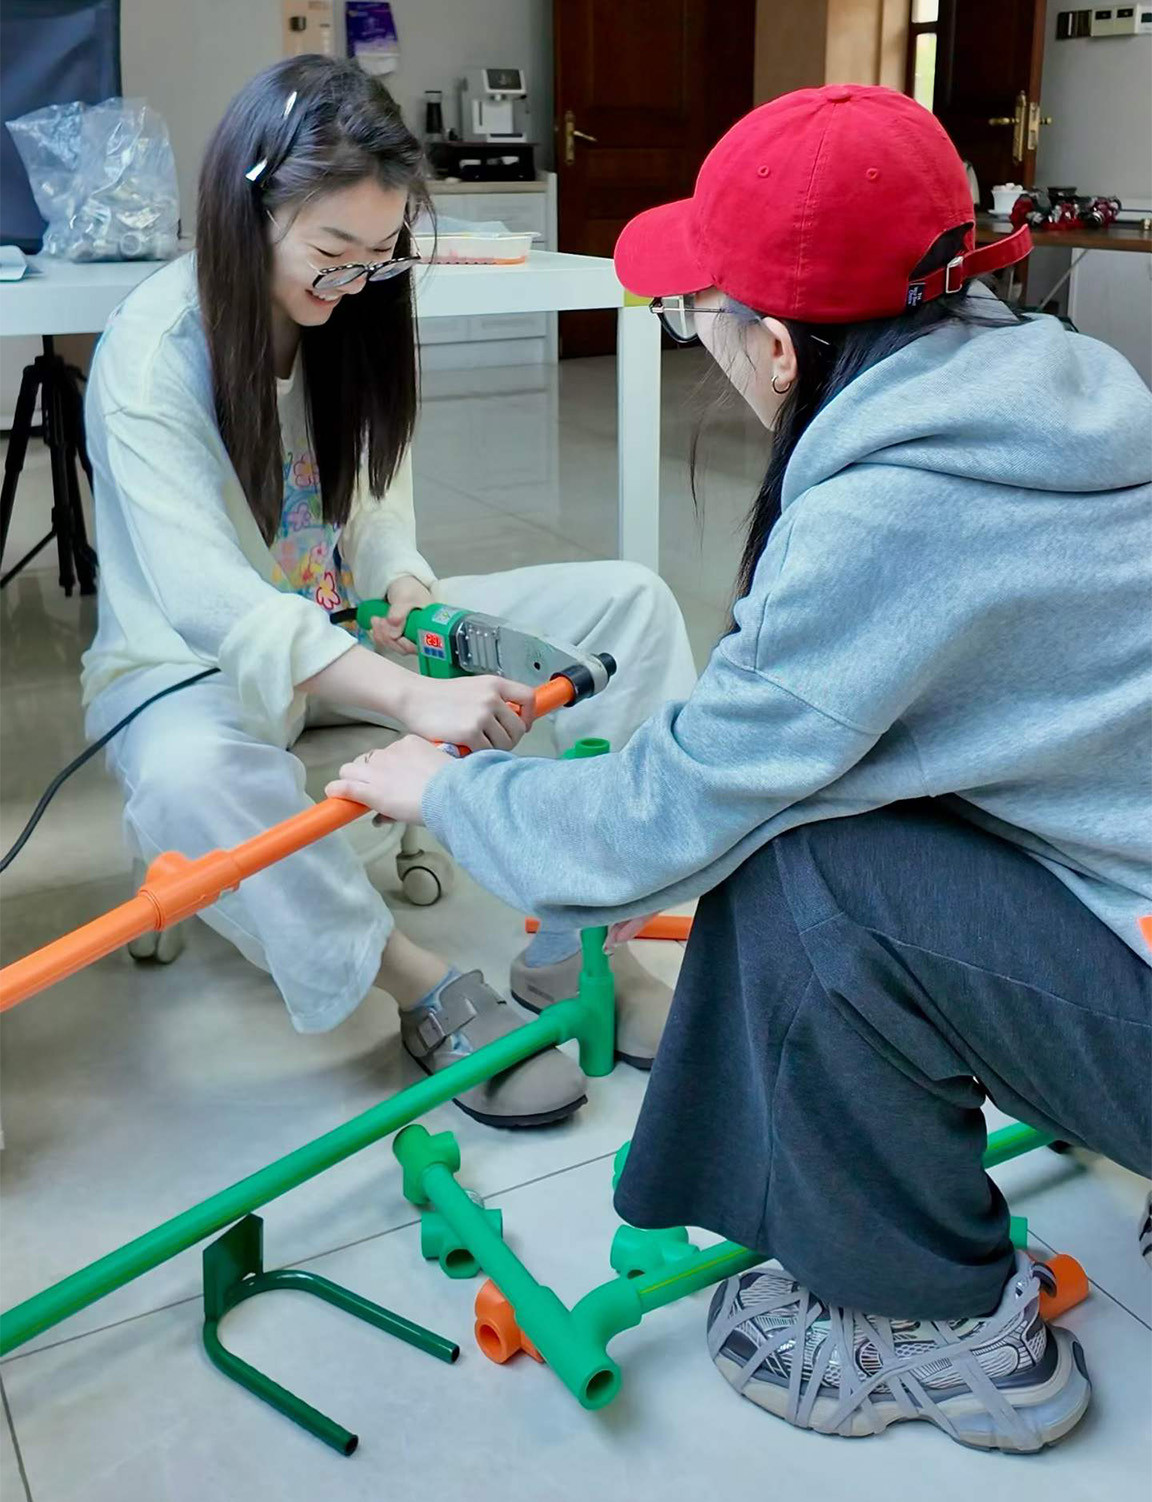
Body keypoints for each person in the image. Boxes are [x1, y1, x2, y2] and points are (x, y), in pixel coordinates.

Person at [328, 86, 1152, 1451]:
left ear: (774, 346)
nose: (695, 338)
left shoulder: (890, 512)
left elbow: (671, 810)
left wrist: (450, 789)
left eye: (694, 315)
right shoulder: (1072, 393)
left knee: (808, 872)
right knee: (842, 825)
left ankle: (947, 1331)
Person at [82, 55, 696, 1130]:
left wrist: (413, 599)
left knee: (629, 607)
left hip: (348, 634)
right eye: (331, 253)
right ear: (247, 210)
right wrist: (412, 696)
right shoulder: (154, 353)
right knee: (191, 777)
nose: (352, 281)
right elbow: (207, 599)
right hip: (190, 671)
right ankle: (420, 985)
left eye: (377, 257)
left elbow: (372, 510)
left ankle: (584, 943)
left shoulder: (354, 312)